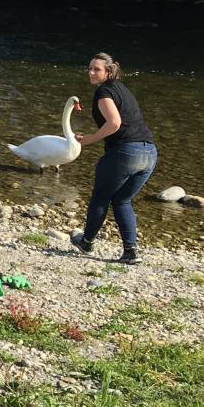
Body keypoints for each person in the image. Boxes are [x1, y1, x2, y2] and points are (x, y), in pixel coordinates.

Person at [70, 53, 157, 265]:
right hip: (149, 153)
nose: (91, 72)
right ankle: (131, 252)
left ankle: (87, 242)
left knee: (100, 197)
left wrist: (88, 139)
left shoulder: (104, 91)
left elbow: (115, 123)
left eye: (96, 69)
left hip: (126, 153)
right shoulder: (122, 89)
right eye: (89, 68)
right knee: (122, 200)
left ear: (108, 72)